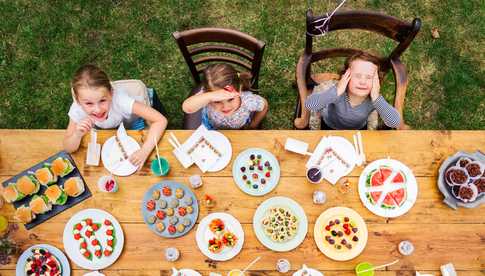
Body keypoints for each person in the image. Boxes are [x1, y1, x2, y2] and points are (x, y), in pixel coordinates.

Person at [63, 64, 167, 167]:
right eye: (89, 103)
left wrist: (144, 151)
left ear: (111, 93)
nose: (98, 110)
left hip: (131, 121)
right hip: (111, 129)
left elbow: (160, 120)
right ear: (78, 101)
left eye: (102, 100)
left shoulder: (120, 100)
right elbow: (68, 148)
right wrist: (77, 135)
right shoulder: (77, 109)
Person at [305, 52, 401, 129]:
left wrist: (376, 98)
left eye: (369, 77)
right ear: (345, 77)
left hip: (357, 129)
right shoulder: (338, 93)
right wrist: (337, 91)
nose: (363, 82)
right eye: (358, 76)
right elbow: (309, 104)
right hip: (330, 126)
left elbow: (395, 122)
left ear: (377, 81)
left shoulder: (374, 99)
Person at [182, 64, 268, 130]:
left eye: (230, 99)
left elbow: (264, 105)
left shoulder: (248, 101)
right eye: (217, 101)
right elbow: (187, 108)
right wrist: (210, 96)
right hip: (211, 127)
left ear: (239, 89)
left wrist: (253, 124)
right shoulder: (207, 97)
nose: (225, 107)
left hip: (238, 130)